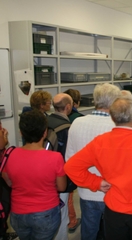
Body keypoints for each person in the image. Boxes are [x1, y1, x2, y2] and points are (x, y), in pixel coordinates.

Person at [64, 97, 132, 240]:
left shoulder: (101, 141)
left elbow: (71, 167)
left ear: (112, 117)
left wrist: (96, 183)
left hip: (113, 212)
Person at [64, 83, 122, 240]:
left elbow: (69, 161)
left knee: (89, 232)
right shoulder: (119, 127)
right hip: (115, 193)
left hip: (87, 192)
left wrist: (93, 182)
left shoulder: (76, 123)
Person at [2, 110, 67, 240]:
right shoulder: (55, 158)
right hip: (46, 213)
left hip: (18, 214)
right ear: (45, 133)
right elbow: (61, 187)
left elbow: (8, 180)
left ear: (21, 132)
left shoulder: (10, 154)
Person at [47, 93, 73, 240]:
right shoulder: (67, 128)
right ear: (68, 107)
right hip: (60, 178)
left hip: (42, 176)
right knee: (62, 216)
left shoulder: (44, 121)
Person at [63, 89, 83, 234]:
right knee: (69, 194)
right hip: (74, 162)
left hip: (62, 160)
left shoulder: (61, 118)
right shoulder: (79, 119)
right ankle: (72, 221)